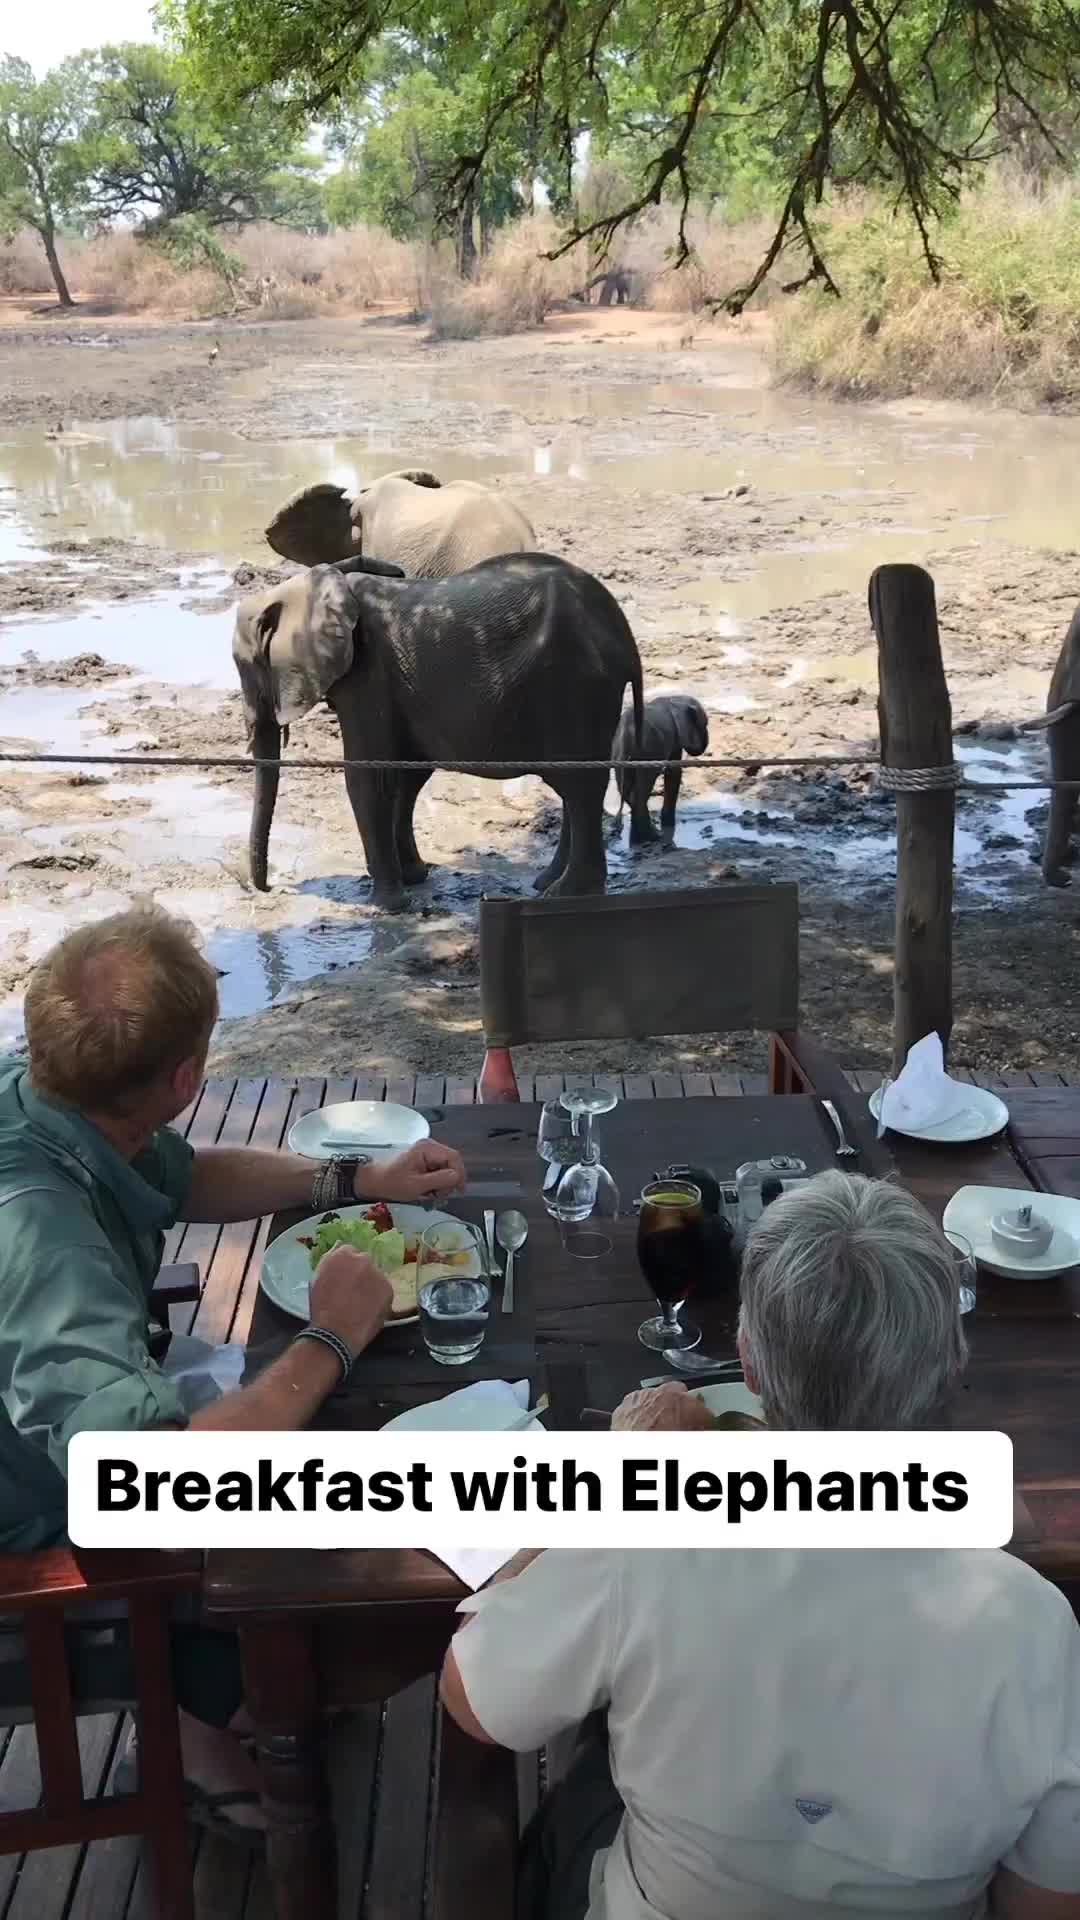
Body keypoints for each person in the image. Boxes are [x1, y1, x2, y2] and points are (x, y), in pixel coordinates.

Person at [440, 1171, 1080, 1920]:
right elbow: (1045, 1900)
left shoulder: (645, 1548)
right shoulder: (1039, 1628)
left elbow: (473, 1699)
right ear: (952, 1363)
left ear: (747, 1362)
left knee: (585, 1783)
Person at [0, 903, 465, 1839]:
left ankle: (223, 1709)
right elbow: (157, 1485)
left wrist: (348, 1182)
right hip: (41, 1541)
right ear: (184, 1076)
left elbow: (181, 1174)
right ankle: (233, 1708)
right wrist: (331, 1338)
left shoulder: (41, 1097)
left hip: (61, 1442)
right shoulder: (45, 1241)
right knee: (365, 1519)